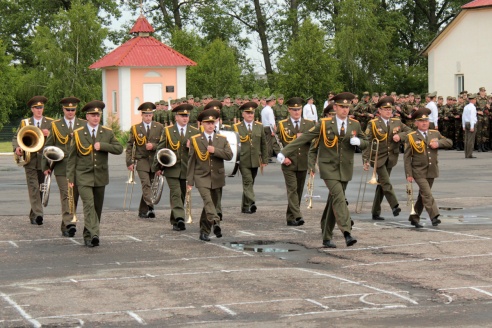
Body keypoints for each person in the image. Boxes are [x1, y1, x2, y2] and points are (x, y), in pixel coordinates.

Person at [278, 92, 369, 248]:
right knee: (339, 197)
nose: (345, 110)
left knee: (333, 201)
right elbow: (305, 137)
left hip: (345, 168)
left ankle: (326, 236)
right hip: (328, 168)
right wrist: (284, 151)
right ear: (335, 107)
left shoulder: (355, 125)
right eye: (342, 107)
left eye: (347, 107)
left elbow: (367, 142)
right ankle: (347, 232)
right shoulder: (325, 124)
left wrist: (359, 142)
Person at [67, 100, 123, 247]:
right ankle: (94, 234)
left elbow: (119, 149)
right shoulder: (78, 134)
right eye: (92, 115)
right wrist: (70, 177)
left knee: (97, 207)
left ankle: (87, 234)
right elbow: (72, 158)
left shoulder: (107, 132)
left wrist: (103, 146)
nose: (95, 117)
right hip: (83, 175)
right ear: (87, 117)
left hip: (100, 176)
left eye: (98, 115)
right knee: (89, 204)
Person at [187, 109, 233, 242]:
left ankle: (204, 231)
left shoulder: (222, 139)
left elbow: (229, 155)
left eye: (212, 123)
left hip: (217, 177)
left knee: (211, 204)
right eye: (207, 123)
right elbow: (191, 161)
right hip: (201, 176)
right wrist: (189, 181)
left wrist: (215, 151)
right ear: (202, 124)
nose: (210, 125)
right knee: (207, 201)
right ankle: (216, 222)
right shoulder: (195, 140)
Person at [42, 97, 85, 236]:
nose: (70, 112)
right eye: (68, 110)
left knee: (75, 195)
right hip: (61, 165)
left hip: (78, 166)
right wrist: (45, 165)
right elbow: (48, 146)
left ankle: (65, 225)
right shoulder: (55, 125)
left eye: (73, 110)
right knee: (67, 194)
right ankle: (70, 223)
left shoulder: (83, 124)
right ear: (63, 110)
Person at [363, 96, 411, 221]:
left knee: (382, 184)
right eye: (385, 109)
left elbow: (410, 132)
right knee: (386, 182)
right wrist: (366, 160)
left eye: (390, 109)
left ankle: (375, 211)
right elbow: (367, 142)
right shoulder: (373, 123)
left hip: (391, 157)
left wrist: (400, 136)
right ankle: (394, 205)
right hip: (378, 157)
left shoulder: (397, 122)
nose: (388, 111)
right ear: (379, 110)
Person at [404, 108, 453, 228]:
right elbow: (407, 158)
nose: (424, 123)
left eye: (426, 120)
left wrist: (438, 144)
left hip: (431, 170)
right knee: (427, 194)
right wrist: (409, 174)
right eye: (421, 121)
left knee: (423, 195)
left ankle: (414, 217)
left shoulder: (434, 134)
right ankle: (434, 216)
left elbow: (449, 142)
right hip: (418, 171)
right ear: (416, 123)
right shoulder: (411, 137)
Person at [153, 103, 198, 231]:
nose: (185, 118)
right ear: (176, 117)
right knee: (176, 193)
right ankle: (180, 218)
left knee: (182, 194)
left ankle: (174, 220)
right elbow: (160, 149)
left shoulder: (194, 131)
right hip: (171, 168)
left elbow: (201, 151)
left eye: (187, 116)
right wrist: (157, 167)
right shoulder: (168, 130)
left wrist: (192, 148)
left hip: (186, 169)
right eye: (182, 116)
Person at [12, 96, 53, 225]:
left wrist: (50, 134)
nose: (39, 110)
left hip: (44, 161)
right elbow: (16, 137)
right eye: (36, 108)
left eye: (41, 107)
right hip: (30, 160)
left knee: (41, 188)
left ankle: (33, 214)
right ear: (32, 109)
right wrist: (17, 147)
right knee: (33, 187)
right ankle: (39, 215)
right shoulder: (26, 123)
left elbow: (58, 139)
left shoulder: (51, 123)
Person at [276, 97, 316, 226]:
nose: (296, 112)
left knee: (298, 190)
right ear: (289, 110)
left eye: (298, 109)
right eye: (294, 110)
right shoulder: (282, 124)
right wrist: (282, 156)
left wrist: (304, 138)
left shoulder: (309, 124)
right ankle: (298, 215)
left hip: (303, 161)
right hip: (289, 162)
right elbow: (276, 142)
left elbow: (314, 142)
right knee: (292, 189)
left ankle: (290, 217)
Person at [126, 102, 164, 218]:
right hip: (141, 160)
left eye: (150, 115)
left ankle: (143, 210)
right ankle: (151, 205)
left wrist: (153, 146)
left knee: (152, 185)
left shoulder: (159, 127)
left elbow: (163, 145)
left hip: (154, 161)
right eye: (146, 115)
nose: (148, 117)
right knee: (146, 184)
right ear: (141, 115)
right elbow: (130, 145)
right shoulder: (135, 128)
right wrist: (129, 162)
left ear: (152, 115)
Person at [233, 101, 268, 214]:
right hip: (243, 159)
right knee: (247, 181)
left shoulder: (259, 126)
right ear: (243, 114)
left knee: (250, 182)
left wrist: (264, 159)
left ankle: (245, 206)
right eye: (247, 113)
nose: (250, 115)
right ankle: (252, 202)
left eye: (252, 113)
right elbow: (233, 144)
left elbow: (263, 143)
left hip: (255, 159)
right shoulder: (237, 127)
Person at [261, 95, 278, 162]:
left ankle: (266, 156)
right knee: (269, 143)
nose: (274, 102)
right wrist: (273, 131)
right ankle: (268, 157)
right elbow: (272, 122)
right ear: (270, 102)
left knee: (266, 142)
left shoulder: (263, 109)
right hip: (269, 128)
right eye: (273, 101)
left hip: (264, 127)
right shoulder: (270, 110)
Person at [462, 93, 478, 158]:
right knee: (471, 140)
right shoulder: (473, 107)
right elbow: (472, 117)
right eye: (475, 99)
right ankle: (469, 154)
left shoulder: (466, 106)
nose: (475, 100)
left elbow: (463, 116)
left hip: (466, 123)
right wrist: (472, 126)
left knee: (467, 139)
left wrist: (463, 125)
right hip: (471, 123)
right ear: (473, 100)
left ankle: (466, 154)